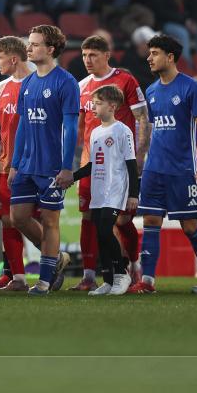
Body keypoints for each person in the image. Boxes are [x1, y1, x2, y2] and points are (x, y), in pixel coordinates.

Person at [128, 34, 197, 294]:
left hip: (183, 168)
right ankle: (148, 280)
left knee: (189, 225)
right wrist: (141, 161)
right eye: (149, 53)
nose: (149, 58)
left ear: (170, 57)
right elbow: (151, 131)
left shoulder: (190, 87)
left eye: (154, 53)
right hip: (155, 168)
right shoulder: (151, 91)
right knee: (151, 220)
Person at [71, 35, 148, 291]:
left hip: (119, 162)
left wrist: (139, 157)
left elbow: (142, 118)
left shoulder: (125, 80)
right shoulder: (82, 86)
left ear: (107, 55)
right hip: (93, 160)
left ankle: (132, 263)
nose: (87, 60)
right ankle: (91, 275)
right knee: (89, 217)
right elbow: (80, 127)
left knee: (121, 222)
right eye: (84, 55)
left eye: (93, 55)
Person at [7, 25, 77, 295]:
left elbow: (71, 127)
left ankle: (45, 281)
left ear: (50, 49)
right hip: (26, 165)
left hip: (51, 166)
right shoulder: (27, 83)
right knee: (19, 217)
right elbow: (23, 126)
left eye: (35, 44)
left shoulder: (65, 82)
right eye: (29, 43)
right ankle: (57, 259)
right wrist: (14, 163)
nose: (29, 48)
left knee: (50, 220)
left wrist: (66, 167)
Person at [70, 85, 139, 296]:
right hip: (98, 190)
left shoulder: (122, 130)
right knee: (100, 235)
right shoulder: (95, 133)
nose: (93, 107)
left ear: (112, 106)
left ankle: (121, 273)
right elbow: (92, 164)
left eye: (98, 103)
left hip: (115, 189)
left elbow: (131, 164)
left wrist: (133, 194)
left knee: (104, 230)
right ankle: (108, 280)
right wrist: (72, 177)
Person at [0, 36, 31, 291]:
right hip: (4, 164)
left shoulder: (36, 84)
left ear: (13, 58)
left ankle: (52, 264)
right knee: (7, 218)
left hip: (33, 165)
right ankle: (17, 276)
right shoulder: (1, 88)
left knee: (40, 218)